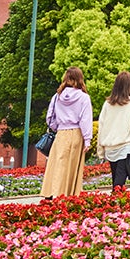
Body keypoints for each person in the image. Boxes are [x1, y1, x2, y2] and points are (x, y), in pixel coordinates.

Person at [40, 66, 92, 198]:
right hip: (76, 133)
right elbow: (85, 120)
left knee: (57, 164)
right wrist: (87, 139)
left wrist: (56, 127)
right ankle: (68, 194)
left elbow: (50, 117)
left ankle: (52, 192)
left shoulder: (57, 96)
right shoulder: (83, 97)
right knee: (71, 166)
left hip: (61, 133)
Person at [98, 71, 130, 192]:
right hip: (125, 146)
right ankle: (115, 204)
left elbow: (101, 127)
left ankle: (114, 204)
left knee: (116, 177)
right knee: (119, 181)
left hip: (110, 147)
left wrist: (100, 150)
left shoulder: (107, 104)